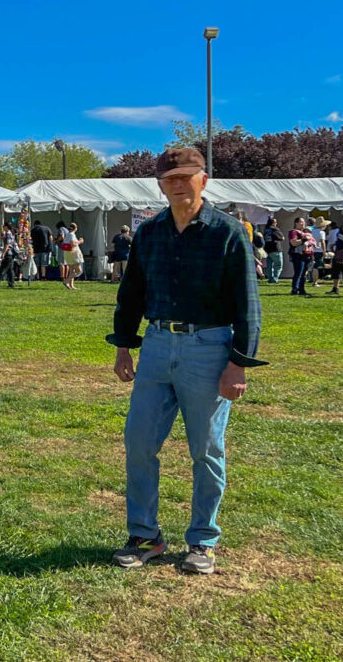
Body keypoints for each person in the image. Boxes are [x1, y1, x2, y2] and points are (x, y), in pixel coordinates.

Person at [109, 147, 265, 575]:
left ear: (204, 179)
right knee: (139, 443)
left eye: (185, 176)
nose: (177, 184)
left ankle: (202, 540)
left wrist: (238, 363)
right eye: (169, 178)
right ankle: (145, 535)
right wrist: (125, 345)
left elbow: (247, 305)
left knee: (206, 450)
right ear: (160, 184)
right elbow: (132, 294)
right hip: (158, 344)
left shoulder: (229, 233)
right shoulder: (151, 232)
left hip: (209, 347)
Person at [287, 217, 315, 297]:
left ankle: (302, 289)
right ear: (296, 223)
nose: (303, 224)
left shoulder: (306, 232)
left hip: (307, 255)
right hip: (298, 254)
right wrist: (304, 240)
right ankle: (295, 289)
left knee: (304, 273)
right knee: (298, 272)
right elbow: (293, 243)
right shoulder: (293, 232)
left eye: (304, 222)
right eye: (301, 222)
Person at [0, 224, 20, 288]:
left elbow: (7, 245)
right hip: (11, 253)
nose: (3, 227)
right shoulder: (10, 233)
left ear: (6, 227)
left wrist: (3, 254)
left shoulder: (8, 234)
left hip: (8, 253)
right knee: (10, 269)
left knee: (3, 268)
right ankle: (11, 284)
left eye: (4, 226)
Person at [60, 222, 83, 290]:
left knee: (72, 270)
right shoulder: (72, 235)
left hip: (68, 253)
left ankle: (71, 285)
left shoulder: (67, 234)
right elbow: (73, 244)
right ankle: (66, 281)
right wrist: (80, 241)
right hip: (73, 253)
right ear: (75, 228)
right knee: (79, 271)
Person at [263, 218, 285, 284]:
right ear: (273, 223)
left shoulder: (266, 230)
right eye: (276, 222)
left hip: (267, 249)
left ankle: (270, 278)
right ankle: (275, 278)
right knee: (278, 265)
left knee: (269, 265)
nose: (276, 224)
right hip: (275, 249)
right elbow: (282, 238)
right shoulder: (275, 229)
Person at [308, 217, 327, 287]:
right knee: (316, 266)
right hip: (319, 251)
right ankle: (314, 282)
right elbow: (322, 242)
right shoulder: (321, 232)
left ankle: (308, 279)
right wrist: (324, 251)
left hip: (311, 250)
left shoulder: (311, 231)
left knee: (310, 265)